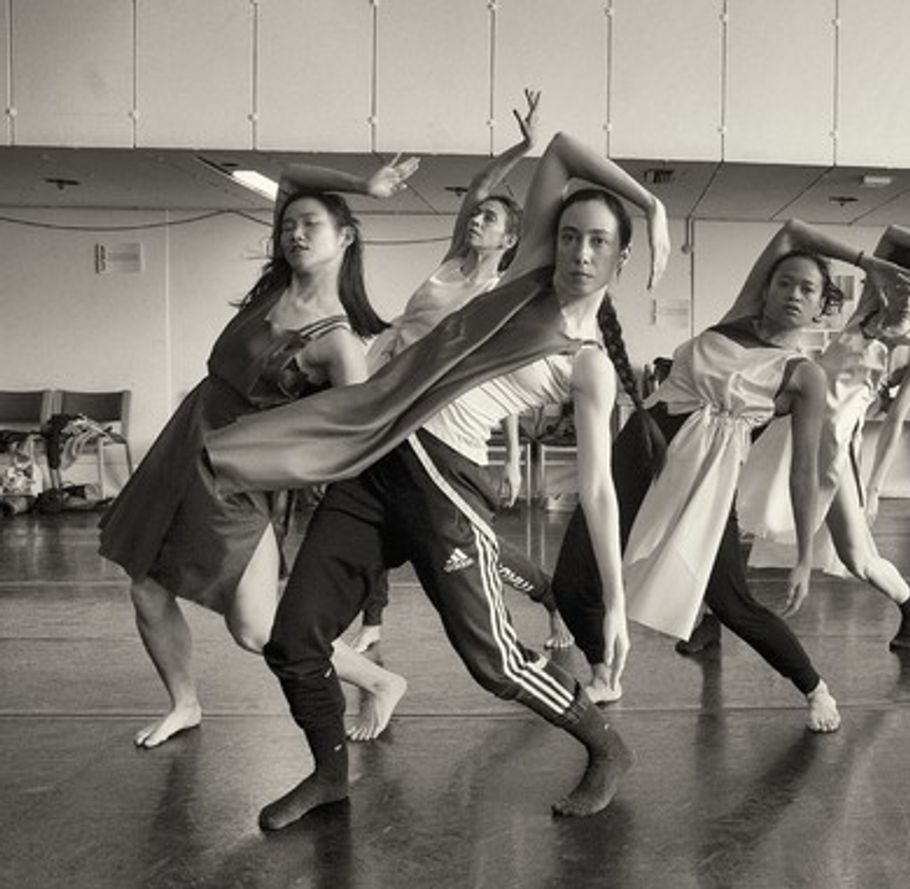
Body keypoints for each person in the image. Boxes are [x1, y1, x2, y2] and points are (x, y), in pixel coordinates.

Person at [207, 130, 669, 829]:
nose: (579, 252)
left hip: (445, 489)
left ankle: (606, 746)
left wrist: (612, 600)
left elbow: (599, 490)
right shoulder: (521, 280)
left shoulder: (588, 362)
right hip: (377, 462)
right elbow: (565, 151)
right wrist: (651, 203)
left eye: (600, 242)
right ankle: (329, 774)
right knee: (293, 637)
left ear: (621, 257)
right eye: (570, 235)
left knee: (496, 665)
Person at [98, 158, 418, 749]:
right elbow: (292, 176)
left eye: (311, 225)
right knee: (145, 587)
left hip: (236, 473)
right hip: (183, 445)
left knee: (255, 627)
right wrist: (365, 183)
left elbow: (354, 435)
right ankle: (184, 703)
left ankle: (379, 679)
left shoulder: (338, 341)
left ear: (345, 237)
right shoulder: (274, 287)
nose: (295, 232)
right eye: (289, 224)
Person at [551, 219, 910, 731]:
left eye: (807, 289)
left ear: (820, 307)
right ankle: (604, 671)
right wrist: (867, 261)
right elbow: (792, 232)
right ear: (764, 289)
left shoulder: (805, 376)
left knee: (731, 601)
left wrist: (806, 559)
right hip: (642, 448)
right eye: (784, 282)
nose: (793, 294)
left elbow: (804, 468)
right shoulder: (736, 318)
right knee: (572, 579)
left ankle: (814, 688)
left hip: (708, 480)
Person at [345, 89, 573, 656]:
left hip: (438, 414)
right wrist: (523, 147)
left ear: (509, 240)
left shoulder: (500, 293)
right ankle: (372, 620)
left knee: (470, 541)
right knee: (360, 505)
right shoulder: (451, 262)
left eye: (490, 218)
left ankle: (547, 595)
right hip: (387, 392)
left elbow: (500, 382)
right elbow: (477, 187)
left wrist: (514, 459)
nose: (477, 218)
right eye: (476, 216)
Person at [733, 227, 910, 653]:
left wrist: (876, 488)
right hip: (792, 428)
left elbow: (897, 420)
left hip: (835, 449)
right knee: (735, 519)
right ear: (884, 283)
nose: (907, 297)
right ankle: (708, 619)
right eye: (899, 285)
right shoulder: (864, 313)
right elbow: (889, 235)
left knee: (856, 558)